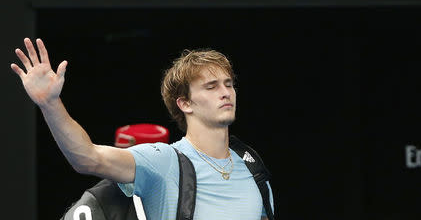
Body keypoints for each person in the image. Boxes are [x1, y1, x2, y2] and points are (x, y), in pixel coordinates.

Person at [11, 37, 274, 220]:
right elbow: (87, 158)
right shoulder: (164, 161)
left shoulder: (251, 165)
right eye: (211, 86)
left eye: (229, 84)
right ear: (184, 103)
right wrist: (50, 103)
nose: (225, 92)